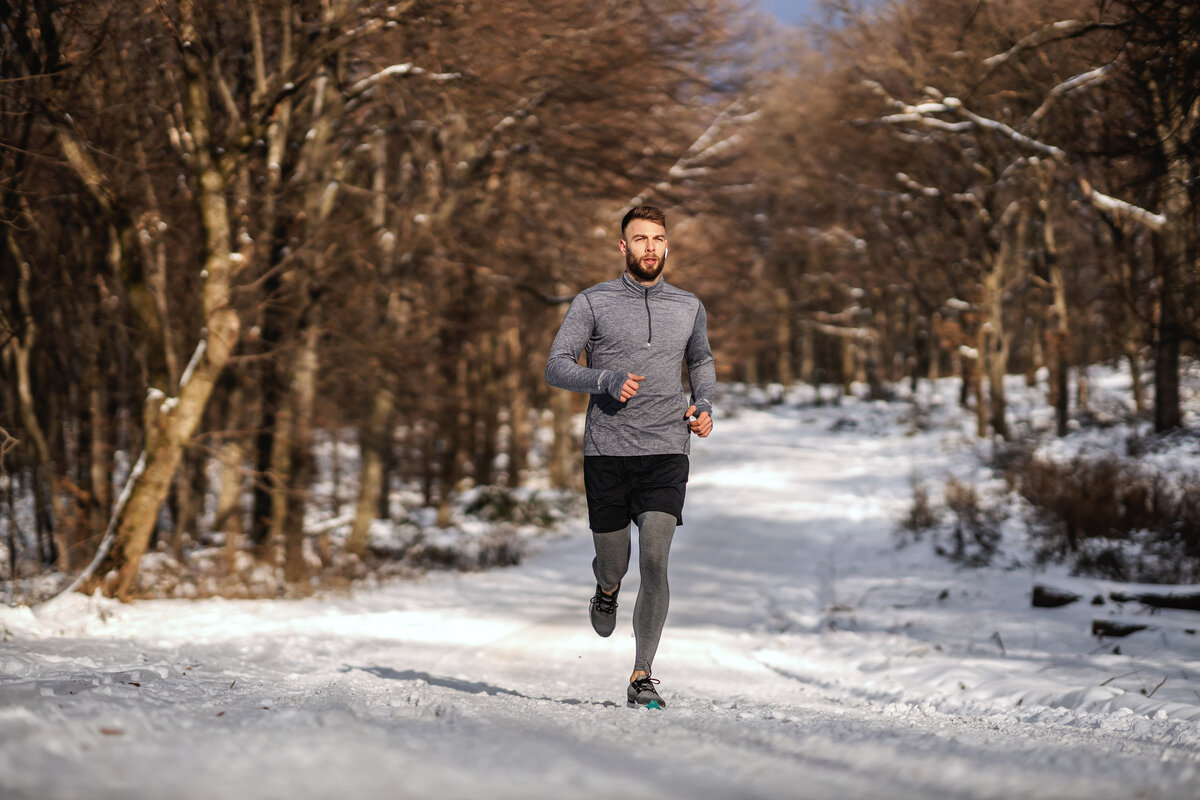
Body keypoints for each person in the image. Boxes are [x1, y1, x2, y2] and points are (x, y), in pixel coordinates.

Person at [545, 204, 716, 709]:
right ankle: (606, 587)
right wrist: (605, 379)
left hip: (666, 448)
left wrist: (702, 403)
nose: (649, 247)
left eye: (657, 238)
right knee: (615, 561)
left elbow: (701, 359)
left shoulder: (688, 306)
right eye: (639, 239)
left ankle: (642, 675)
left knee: (656, 560)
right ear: (623, 247)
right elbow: (556, 366)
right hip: (607, 451)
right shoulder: (592, 303)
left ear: (668, 246)